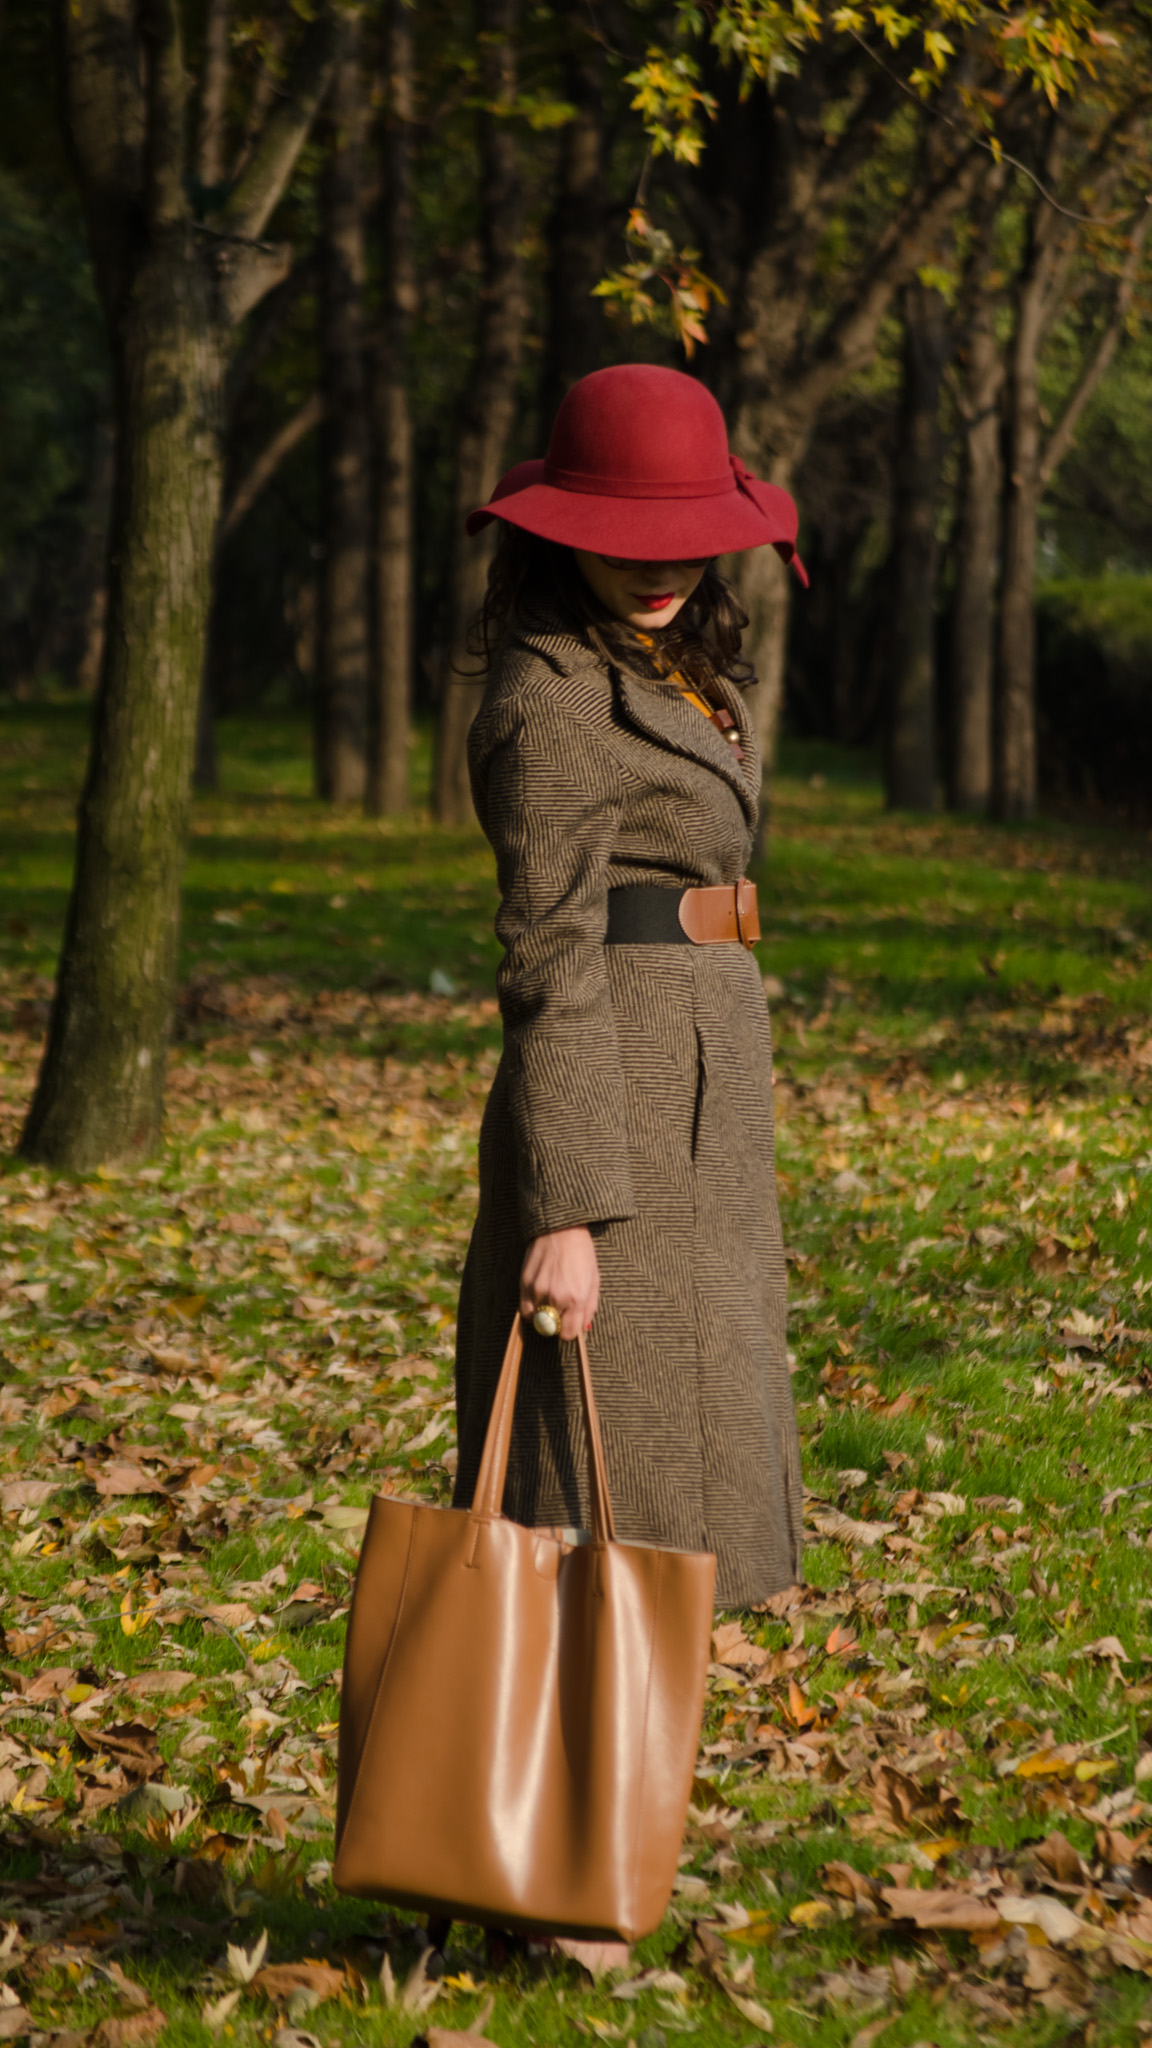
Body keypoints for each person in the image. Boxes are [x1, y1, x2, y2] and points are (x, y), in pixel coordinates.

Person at [452, 362, 806, 1612]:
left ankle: (645, 1768)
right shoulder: (549, 700)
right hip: (617, 1105)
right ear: (565, 535)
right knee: (601, 1511)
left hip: (701, 1082)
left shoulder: (674, 665)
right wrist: (567, 1209)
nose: (662, 567)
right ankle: (558, 1784)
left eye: (687, 541)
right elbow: (547, 960)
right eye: (629, 541)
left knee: (688, 1478)